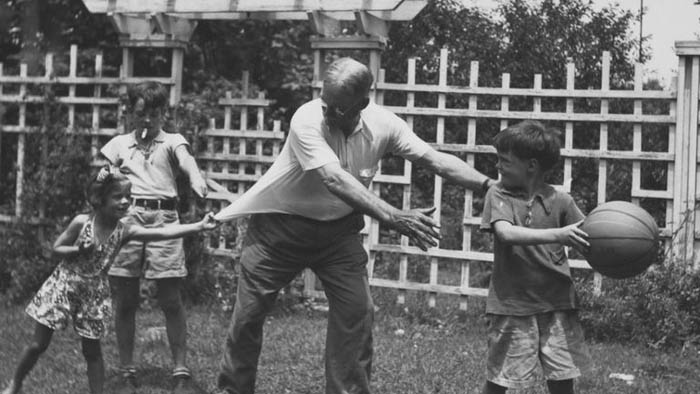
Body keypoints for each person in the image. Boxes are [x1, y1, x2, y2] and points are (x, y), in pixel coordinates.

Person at [211, 57, 496, 394]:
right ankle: (232, 389)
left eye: (338, 109)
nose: (328, 113)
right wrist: (393, 216)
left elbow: (434, 160)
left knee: (358, 314)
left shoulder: (384, 125)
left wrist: (488, 185)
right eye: (325, 103)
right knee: (247, 316)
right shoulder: (306, 119)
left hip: (338, 234)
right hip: (279, 231)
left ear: (363, 103)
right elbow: (334, 180)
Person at [1, 167, 218, 394]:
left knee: (92, 353)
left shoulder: (125, 230)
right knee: (38, 344)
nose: (125, 202)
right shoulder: (81, 222)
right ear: (98, 199)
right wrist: (77, 249)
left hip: (94, 295)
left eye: (128, 197)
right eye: (118, 197)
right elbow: (56, 249)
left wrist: (199, 226)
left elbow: (164, 233)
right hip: (63, 287)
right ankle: (15, 384)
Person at [98, 81, 209, 394]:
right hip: (127, 220)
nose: (148, 120)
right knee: (126, 300)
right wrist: (105, 179)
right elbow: (101, 180)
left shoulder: (173, 141)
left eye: (155, 114)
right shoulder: (119, 144)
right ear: (132, 113)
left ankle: (181, 373)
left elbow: (188, 163)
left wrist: (197, 179)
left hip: (164, 219)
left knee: (171, 299)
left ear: (164, 113)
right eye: (141, 114)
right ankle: (126, 373)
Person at [479, 120, 592, 394]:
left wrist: (617, 246)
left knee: (562, 376)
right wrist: (559, 235)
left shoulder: (561, 200)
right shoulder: (498, 193)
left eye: (504, 161)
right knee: (501, 378)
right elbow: (506, 233)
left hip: (557, 304)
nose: (498, 166)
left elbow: (590, 238)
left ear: (531, 166)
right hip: (513, 305)